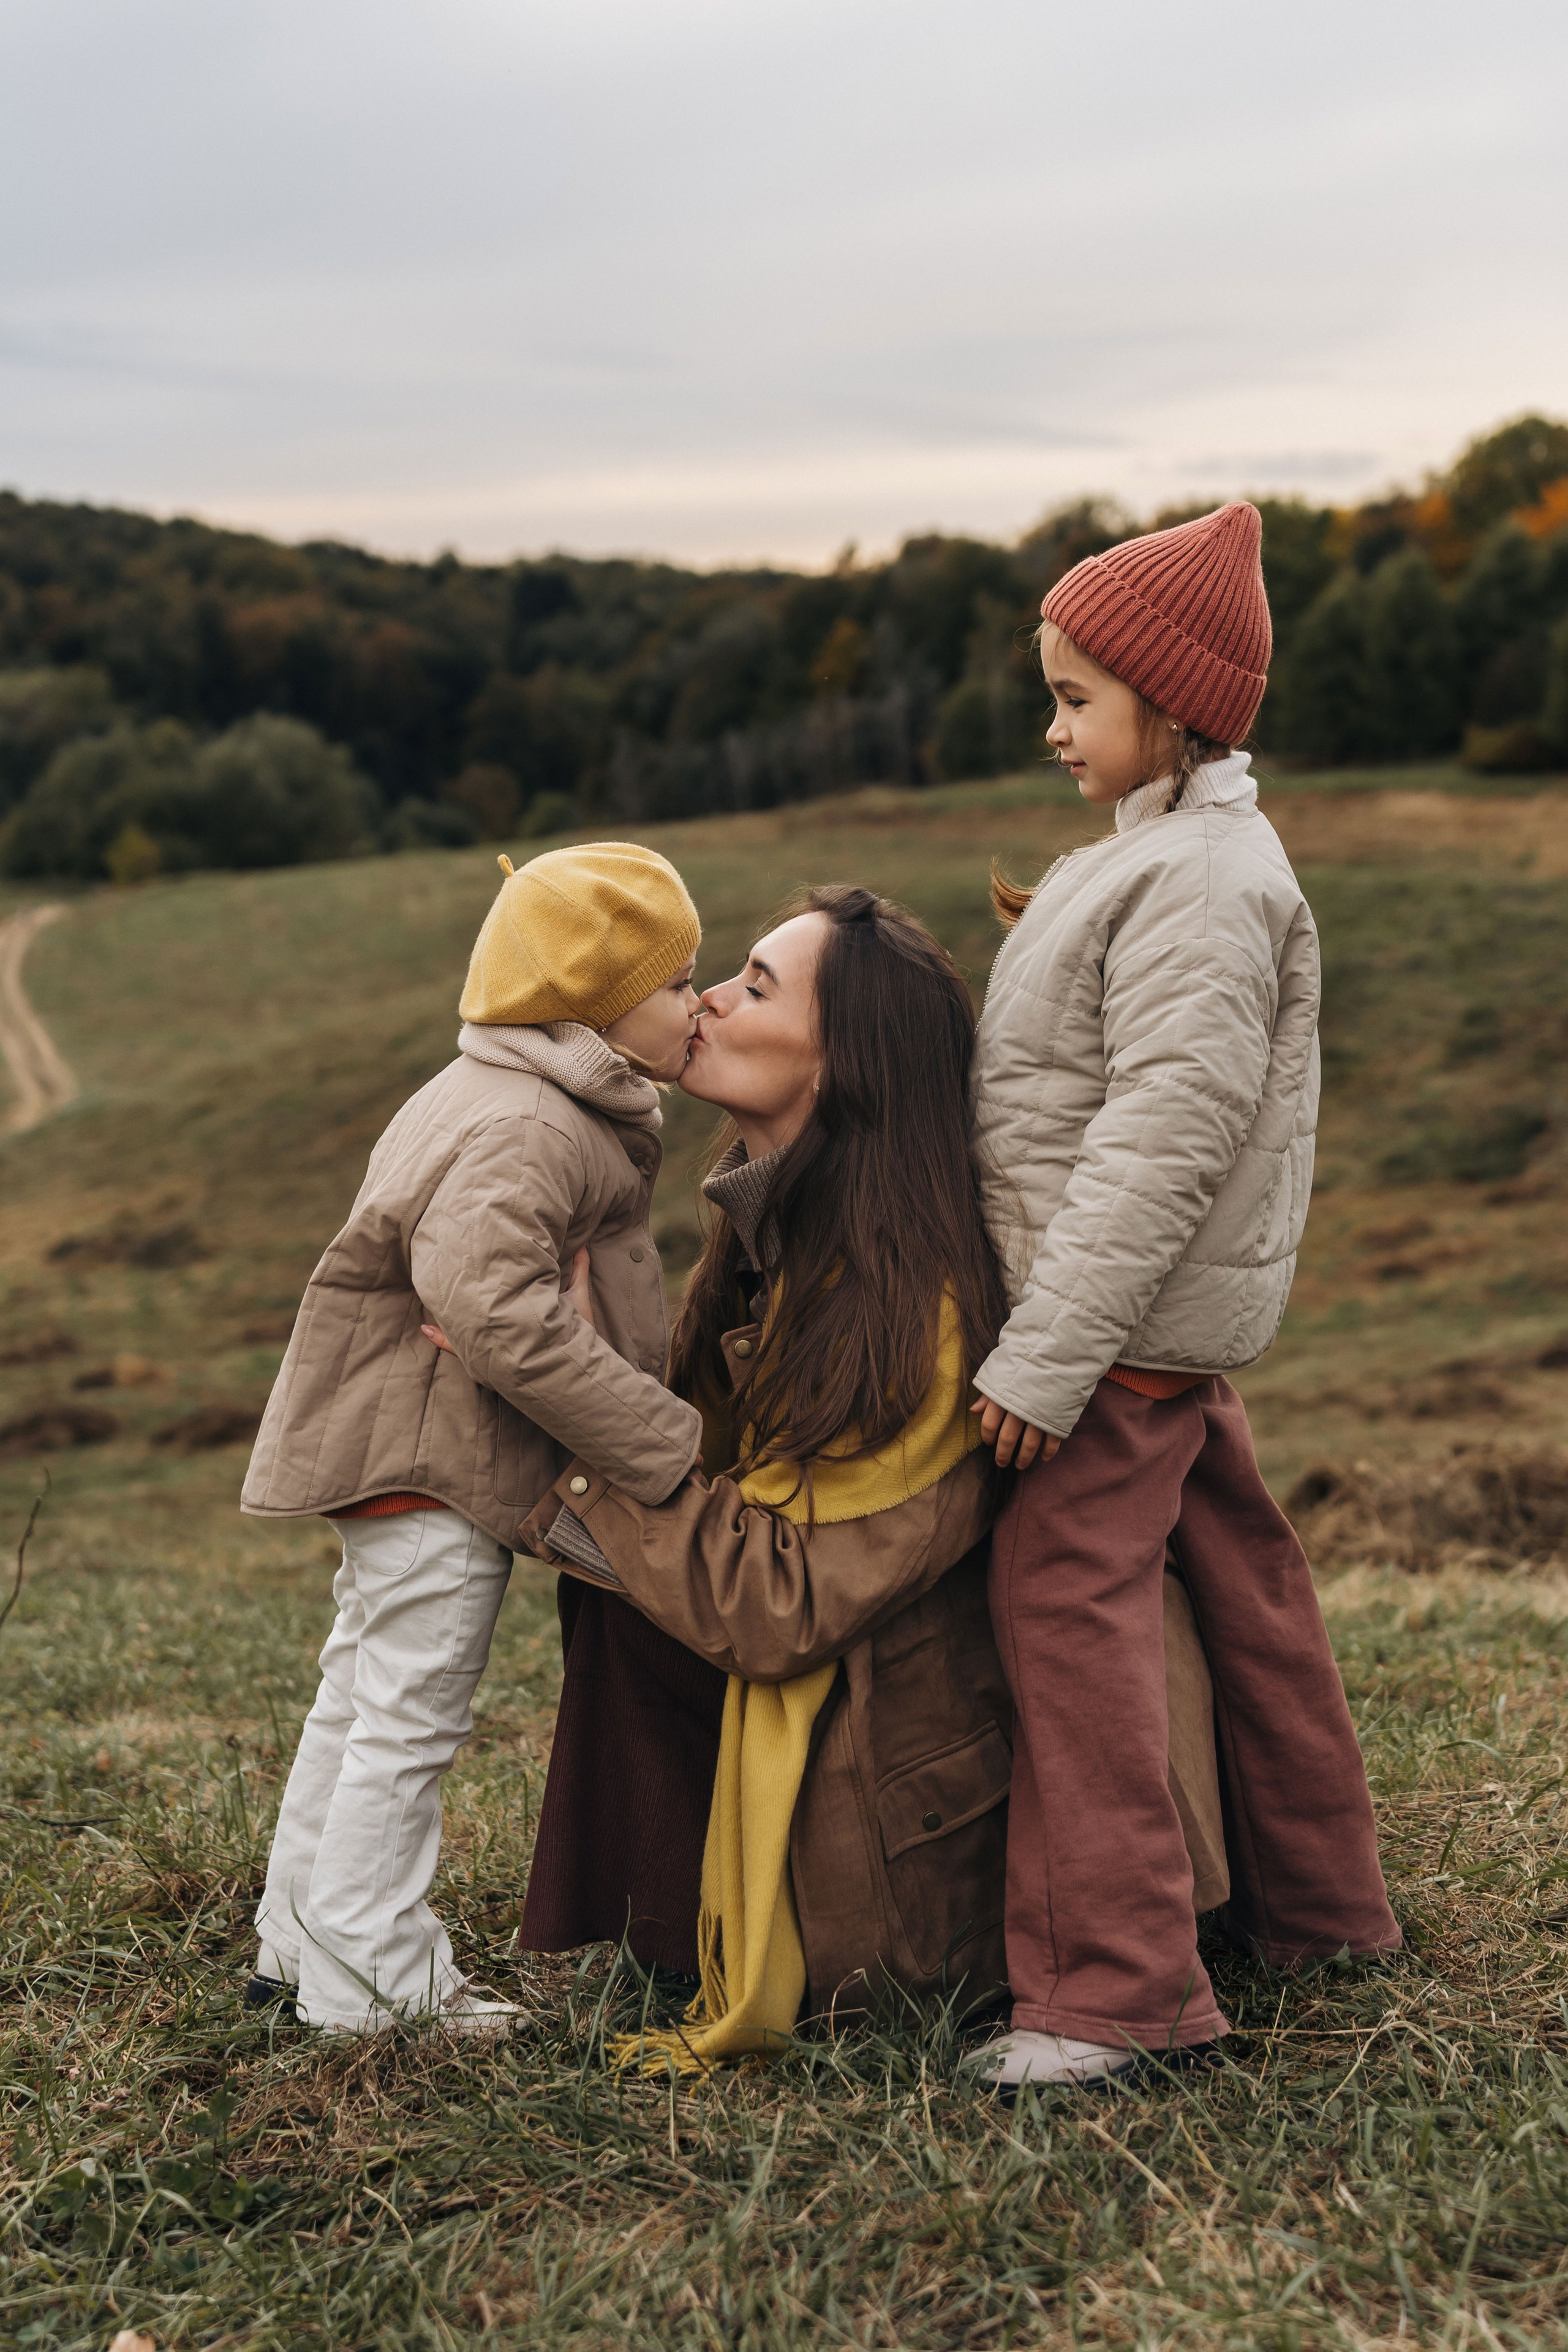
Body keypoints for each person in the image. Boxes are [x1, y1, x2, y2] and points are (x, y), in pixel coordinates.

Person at [514, 886, 1227, 2065]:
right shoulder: (778, 1237)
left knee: (629, 1539)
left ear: (845, 1060)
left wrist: (567, 1422)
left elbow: (782, 1602)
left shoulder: (916, 1305)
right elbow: (704, 1469)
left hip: (919, 1864)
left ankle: (767, 1935)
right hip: (893, 1767)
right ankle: (670, 1919)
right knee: (624, 1571)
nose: (707, 1001)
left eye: (755, 985)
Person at [966, 502, 1401, 2092]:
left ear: (1173, 705)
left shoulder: (1204, 882)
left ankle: (1115, 1993)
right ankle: (1322, 1909)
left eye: (1077, 697)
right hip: (1155, 1333)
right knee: (1245, 1594)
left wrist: (1044, 1359)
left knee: (1062, 1608)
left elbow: (1162, 1138)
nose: (1053, 726)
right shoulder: (1162, 855)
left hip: (1112, 1335)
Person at [239, 842, 706, 2035]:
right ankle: (372, 1982)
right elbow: (492, 1307)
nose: (696, 1003)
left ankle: (296, 1942)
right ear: (588, 1002)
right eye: (672, 982)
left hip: (402, 1458)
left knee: (359, 1696)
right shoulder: (531, 1123)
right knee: (409, 1715)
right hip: (433, 1465)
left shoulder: (496, 1093)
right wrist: (658, 1440)